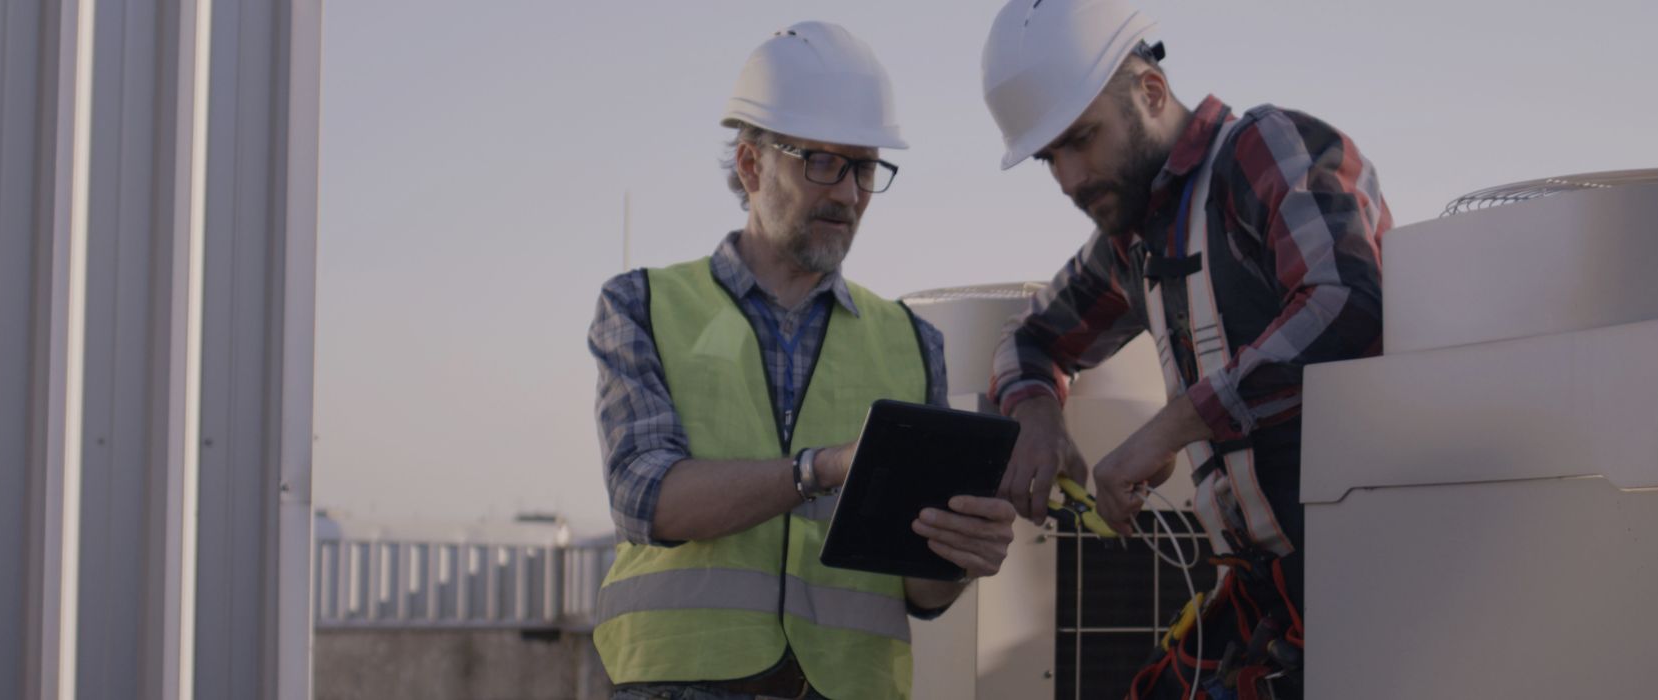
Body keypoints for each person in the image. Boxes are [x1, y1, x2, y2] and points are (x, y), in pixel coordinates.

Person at [587, 21, 1018, 700]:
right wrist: (818, 469)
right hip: (679, 684)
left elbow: (923, 591)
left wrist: (963, 554)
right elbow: (647, 497)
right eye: (823, 161)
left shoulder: (911, 341)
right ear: (752, 166)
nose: (848, 195)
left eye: (865, 167)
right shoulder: (643, 305)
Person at [979, 0, 1392, 696]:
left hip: (1376, 589)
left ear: (1150, 91)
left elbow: (1347, 302)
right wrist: (1038, 418)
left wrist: (1168, 429)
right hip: (1268, 602)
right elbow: (1029, 340)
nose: (1069, 179)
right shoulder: (1130, 245)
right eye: (1050, 156)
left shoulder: (1265, 149)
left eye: (1082, 138)